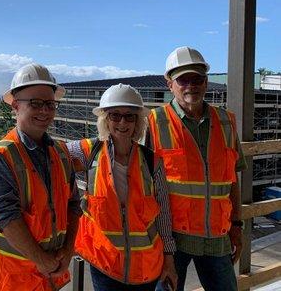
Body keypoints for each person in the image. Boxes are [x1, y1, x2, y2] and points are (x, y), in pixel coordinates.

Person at [146, 46, 246, 291]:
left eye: (198, 79)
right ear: (170, 84)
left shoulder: (226, 122)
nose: (192, 85)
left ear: (206, 82)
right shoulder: (153, 123)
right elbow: (143, 184)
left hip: (217, 237)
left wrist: (237, 225)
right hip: (172, 240)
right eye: (184, 79)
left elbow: (232, 180)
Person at [0, 63, 81, 291]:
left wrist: (68, 250)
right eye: (35, 103)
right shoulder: (1, 157)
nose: (45, 111)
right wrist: (42, 260)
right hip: (7, 280)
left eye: (50, 104)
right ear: (15, 106)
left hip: (47, 278)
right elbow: (4, 216)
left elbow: (73, 205)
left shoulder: (61, 153)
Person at [67, 84, 178, 291]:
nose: (122, 122)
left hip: (147, 267)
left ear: (138, 121)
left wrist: (169, 259)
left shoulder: (152, 161)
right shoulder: (87, 153)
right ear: (105, 119)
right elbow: (48, 153)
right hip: (106, 266)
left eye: (129, 116)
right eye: (115, 115)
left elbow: (163, 215)